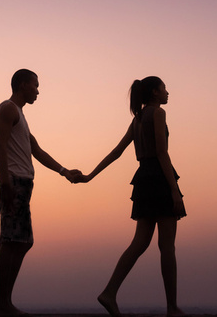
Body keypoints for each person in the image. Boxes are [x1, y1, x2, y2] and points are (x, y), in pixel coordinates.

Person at [78, 76, 186, 317]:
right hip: (158, 177)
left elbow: (117, 152)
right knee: (167, 246)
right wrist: (174, 190)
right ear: (155, 93)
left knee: (139, 243)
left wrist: (90, 176)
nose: (168, 92)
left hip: (143, 178)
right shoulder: (157, 114)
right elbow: (161, 152)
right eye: (164, 89)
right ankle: (172, 307)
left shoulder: (137, 119)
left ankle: (109, 292)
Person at [0, 69, 81, 317]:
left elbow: (37, 151)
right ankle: (3, 305)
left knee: (21, 242)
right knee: (12, 241)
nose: (38, 91)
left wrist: (65, 172)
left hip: (23, 184)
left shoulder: (20, 115)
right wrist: (6, 180)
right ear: (22, 85)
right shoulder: (8, 108)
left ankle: (5, 303)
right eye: (35, 85)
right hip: (14, 182)